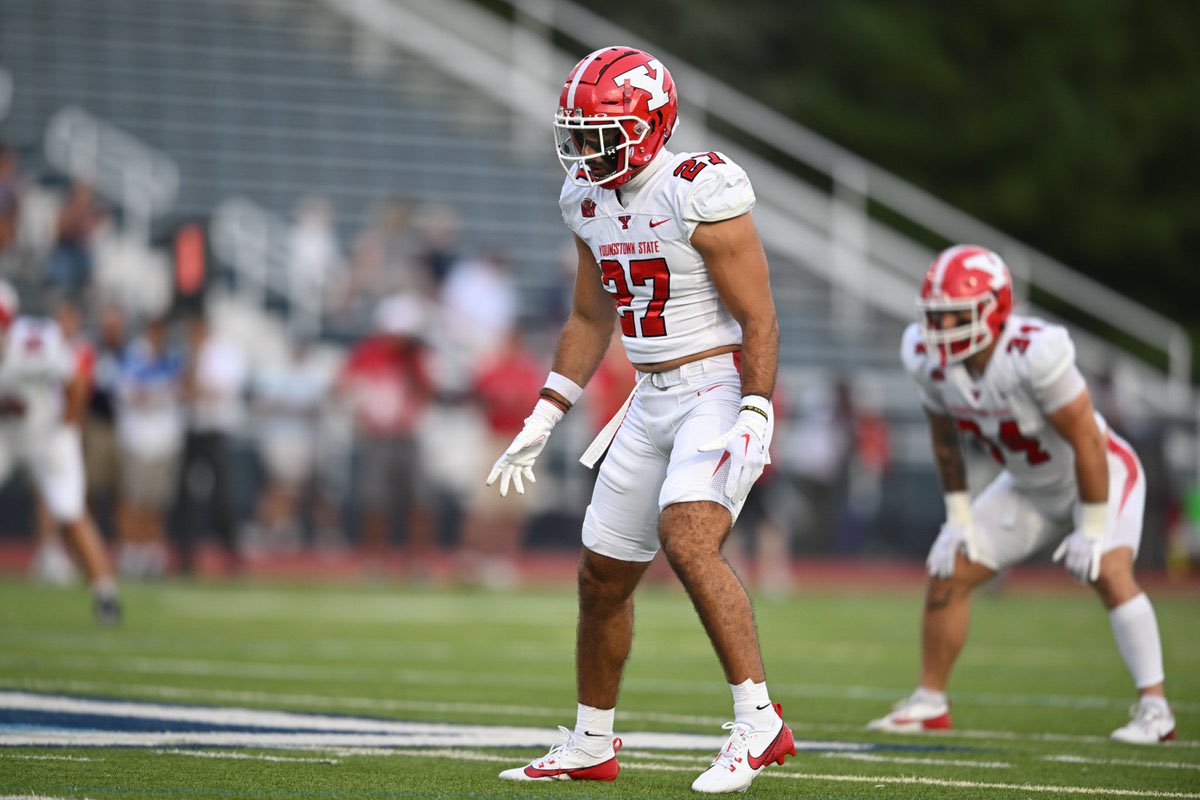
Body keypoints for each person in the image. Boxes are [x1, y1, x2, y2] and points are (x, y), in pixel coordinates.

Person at [488, 47, 794, 793]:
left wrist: (756, 407)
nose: (586, 150)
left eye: (602, 133)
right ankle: (592, 743)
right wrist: (547, 409)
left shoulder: (699, 188)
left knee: (687, 537)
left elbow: (760, 318)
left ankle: (760, 723)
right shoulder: (584, 198)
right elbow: (591, 317)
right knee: (600, 577)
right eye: (579, 134)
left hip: (715, 386)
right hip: (649, 397)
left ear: (651, 126)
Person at [867, 245, 1175, 744]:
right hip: (1029, 486)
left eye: (956, 317)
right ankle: (929, 701)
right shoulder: (926, 359)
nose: (942, 331)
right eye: (937, 318)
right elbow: (945, 441)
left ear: (995, 310)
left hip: (1098, 474)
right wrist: (958, 518)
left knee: (1110, 571)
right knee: (950, 569)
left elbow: (1088, 442)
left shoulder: (1035, 352)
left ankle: (1156, 710)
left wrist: (1093, 528)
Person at [0, 279, 120, 622]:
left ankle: (106, 595)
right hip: (5, 434)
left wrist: (69, 426)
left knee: (70, 512)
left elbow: (77, 381)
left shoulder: (36, 342)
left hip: (46, 433)